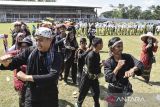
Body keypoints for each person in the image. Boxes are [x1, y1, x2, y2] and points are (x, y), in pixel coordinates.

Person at [0, 27, 62, 107]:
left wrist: (26, 77)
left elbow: (53, 76)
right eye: (37, 40)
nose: (38, 43)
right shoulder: (30, 51)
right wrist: (6, 63)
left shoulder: (56, 56)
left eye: (41, 40)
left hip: (49, 97)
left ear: (49, 40)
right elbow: (15, 61)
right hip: (32, 95)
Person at [104, 37, 143, 107]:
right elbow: (108, 78)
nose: (121, 48)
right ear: (112, 48)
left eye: (121, 46)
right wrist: (117, 67)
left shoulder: (127, 57)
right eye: (118, 46)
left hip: (123, 90)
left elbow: (140, 64)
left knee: (121, 105)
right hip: (112, 91)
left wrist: (133, 69)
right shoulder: (108, 62)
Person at [75, 37, 103, 107]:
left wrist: (100, 64)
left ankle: (97, 104)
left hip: (93, 78)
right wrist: (101, 65)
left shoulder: (97, 53)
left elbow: (95, 65)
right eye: (101, 43)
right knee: (83, 92)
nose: (103, 45)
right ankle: (78, 104)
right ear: (98, 45)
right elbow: (91, 70)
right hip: (87, 78)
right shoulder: (91, 55)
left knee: (96, 92)